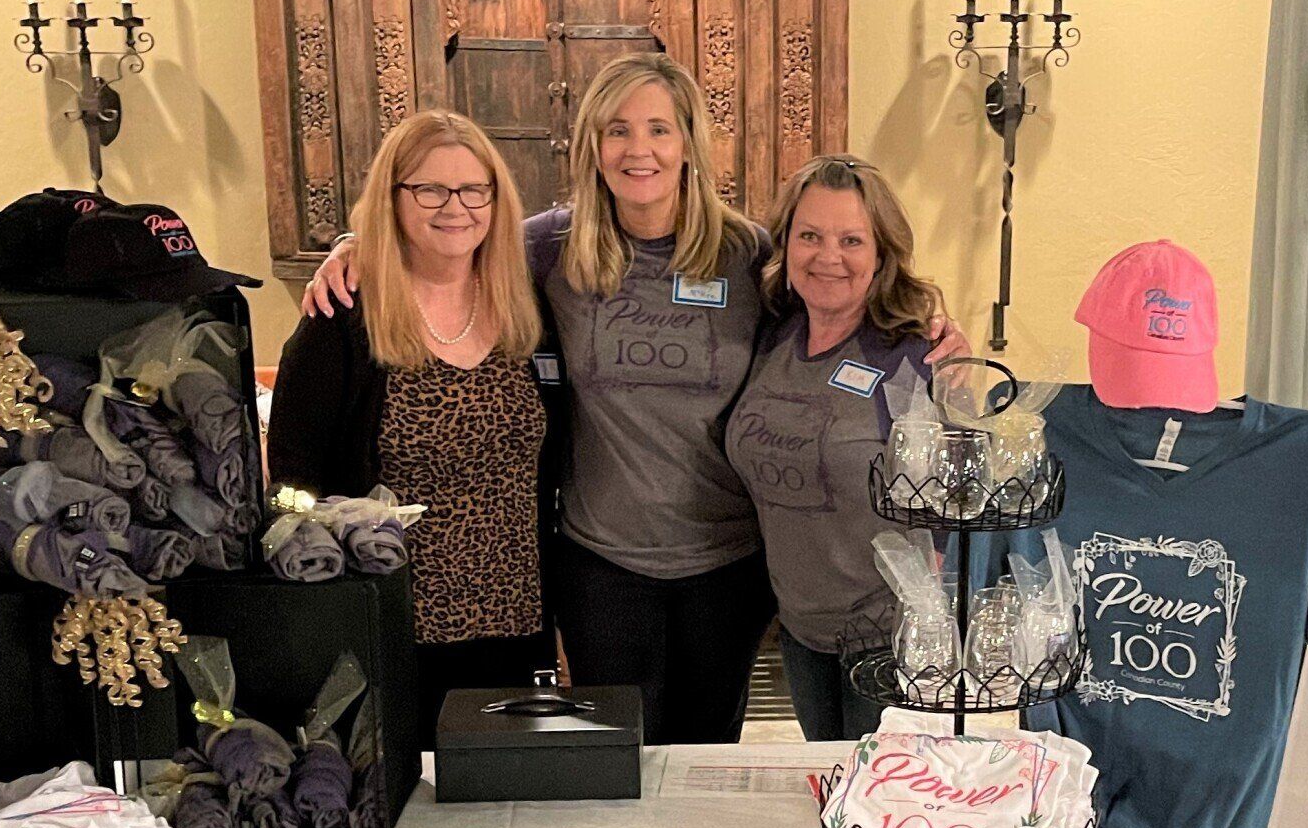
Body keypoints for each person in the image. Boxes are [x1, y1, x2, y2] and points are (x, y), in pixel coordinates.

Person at [308, 55, 970, 743]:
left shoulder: (747, 255)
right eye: (618, 129)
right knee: (616, 763)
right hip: (602, 568)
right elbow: (452, 243)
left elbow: (836, 298)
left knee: (706, 755)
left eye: (658, 128)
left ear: (688, 143)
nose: (639, 149)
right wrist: (357, 247)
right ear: (594, 146)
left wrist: (928, 329)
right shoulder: (549, 248)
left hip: (726, 567)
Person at [267, 111, 565, 749]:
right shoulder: (344, 316)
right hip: (389, 623)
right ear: (393, 198)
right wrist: (320, 569)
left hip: (513, 622)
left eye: (473, 189)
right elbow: (289, 484)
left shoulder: (524, 305)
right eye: (430, 189)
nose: (455, 206)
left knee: (502, 811)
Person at [725, 156, 944, 740]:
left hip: (885, 637)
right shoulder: (774, 333)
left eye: (852, 240)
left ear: (881, 254)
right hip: (800, 628)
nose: (829, 257)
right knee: (829, 794)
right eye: (810, 236)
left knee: (879, 811)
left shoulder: (911, 359)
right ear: (786, 244)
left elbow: (948, 512)